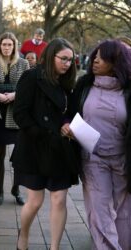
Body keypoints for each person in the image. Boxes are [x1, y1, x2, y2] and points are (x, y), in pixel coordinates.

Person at [63, 39, 131, 250]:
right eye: (95, 56)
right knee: (99, 212)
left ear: (116, 61)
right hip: (93, 159)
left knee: (124, 213)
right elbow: (70, 114)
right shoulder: (84, 85)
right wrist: (66, 125)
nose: (95, 60)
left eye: (102, 57)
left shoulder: (128, 89)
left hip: (123, 159)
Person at [12, 38, 79, 250]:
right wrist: (43, 133)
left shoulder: (67, 81)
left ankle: (54, 247)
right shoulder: (32, 76)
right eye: (64, 59)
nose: (68, 64)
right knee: (35, 201)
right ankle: (23, 237)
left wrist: (67, 124)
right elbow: (20, 114)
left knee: (59, 199)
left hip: (60, 148)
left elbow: (70, 111)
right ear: (51, 56)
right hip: (35, 146)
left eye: (71, 60)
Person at [0, 32, 29, 206]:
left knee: (20, 155)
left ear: (14, 46)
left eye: (10, 45)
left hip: (17, 114)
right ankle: (1, 192)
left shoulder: (23, 63)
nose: (7, 47)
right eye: (4, 44)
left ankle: (16, 189)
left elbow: (28, 87)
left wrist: (15, 95)